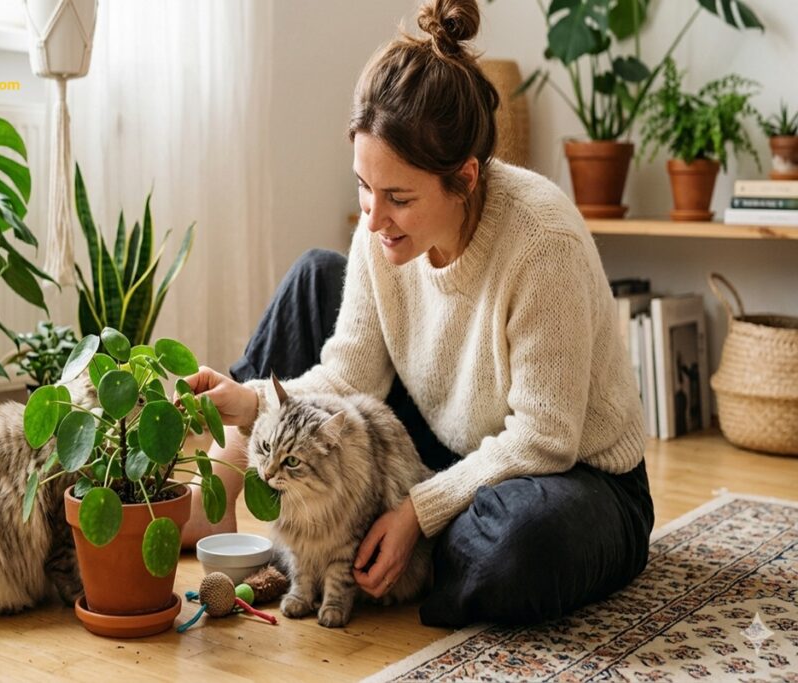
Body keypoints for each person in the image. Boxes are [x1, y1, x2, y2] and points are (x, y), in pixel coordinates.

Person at [182, 0, 654, 628]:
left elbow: (545, 438)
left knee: (516, 550)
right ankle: (225, 492)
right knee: (314, 277)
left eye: (398, 198)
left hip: (572, 474)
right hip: (442, 441)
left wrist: (416, 512)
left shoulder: (543, 243)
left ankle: (393, 547)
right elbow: (350, 376)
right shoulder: (381, 229)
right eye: (362, 186)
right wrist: (254, 403)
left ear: (464, 177)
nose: (372, 218)